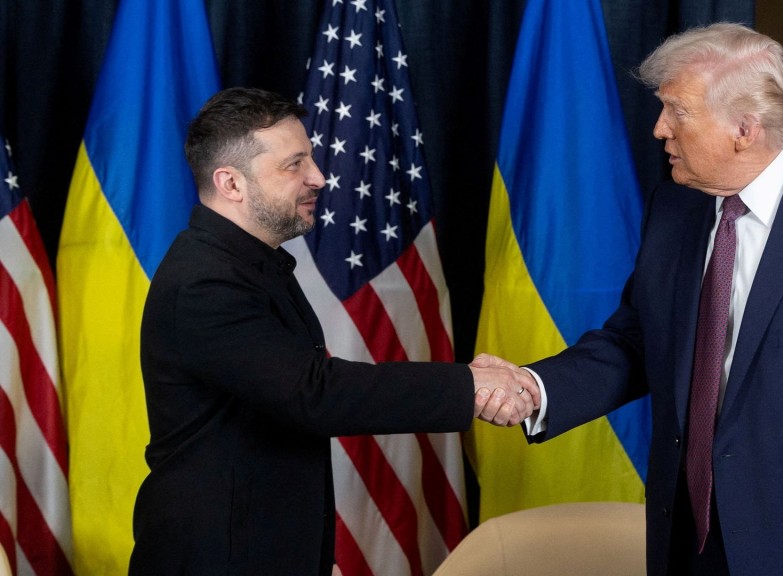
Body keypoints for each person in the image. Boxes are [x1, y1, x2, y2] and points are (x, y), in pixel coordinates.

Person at [473, 22, 783, 576]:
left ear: (745, 128)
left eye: (677, 111)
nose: (660, 129)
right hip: (685, 545)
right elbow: (637, 342)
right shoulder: (674, 209)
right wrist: (535, 388)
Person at [129, 87, 538, 575]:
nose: (318, 177)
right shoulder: (205, 281)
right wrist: (469, 385)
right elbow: (314, 393)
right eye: (294, 165)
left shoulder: (252, 264)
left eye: (312, 160)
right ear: (231, 183)